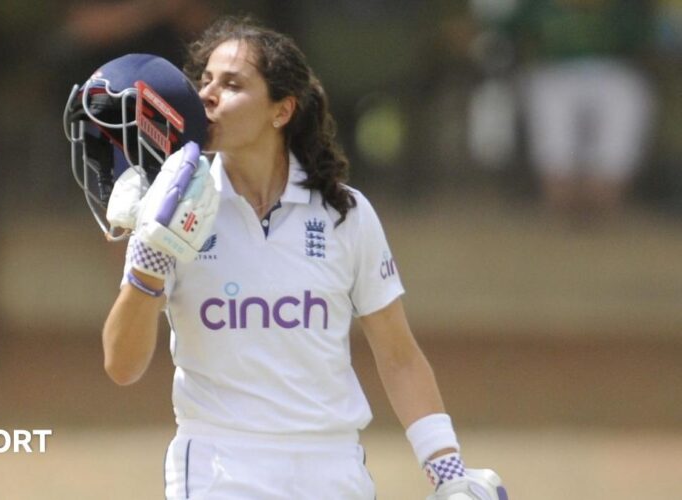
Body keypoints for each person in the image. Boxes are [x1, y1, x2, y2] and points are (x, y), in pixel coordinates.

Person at [89, 16, 507, 499]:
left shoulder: (344, 213)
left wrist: (446, 469)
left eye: (231, 84)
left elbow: (399, 357)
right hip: (219, 465)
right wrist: (149, 264)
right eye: (203, 81)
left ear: (281, 110)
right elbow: (122, 366)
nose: (207, 95)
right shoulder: (169, 206)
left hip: (332, 468)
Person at [503, 0, 656, 223]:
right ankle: (559, 184)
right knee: (549, 110)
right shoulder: (537, 6)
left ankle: (606, 186)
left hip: (614, 73)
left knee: (629, 98)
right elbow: (508, 31)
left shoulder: (625, 7)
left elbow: (644, 37)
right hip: (554, 71)